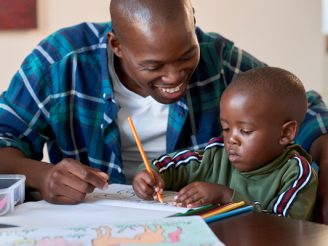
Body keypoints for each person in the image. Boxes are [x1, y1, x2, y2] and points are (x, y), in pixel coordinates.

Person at [0, 0, 327, 222]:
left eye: (187, 55)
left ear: (193, 24)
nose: (174, 78)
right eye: (153, 65)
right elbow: (5, 139)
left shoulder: (216, 56)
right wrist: (42, 175)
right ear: (116, 45)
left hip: (194, 224)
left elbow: (303, 106)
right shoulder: (59, 63)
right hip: (90, 223)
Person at [133, 67, 318, 220]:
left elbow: (283, 227)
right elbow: (167, 165)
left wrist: (228, 196)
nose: (231, 139)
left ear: (285, 133)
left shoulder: (297, 174)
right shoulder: (216, 154)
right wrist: (150, 176)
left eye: (245, 131)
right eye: (226, 128)